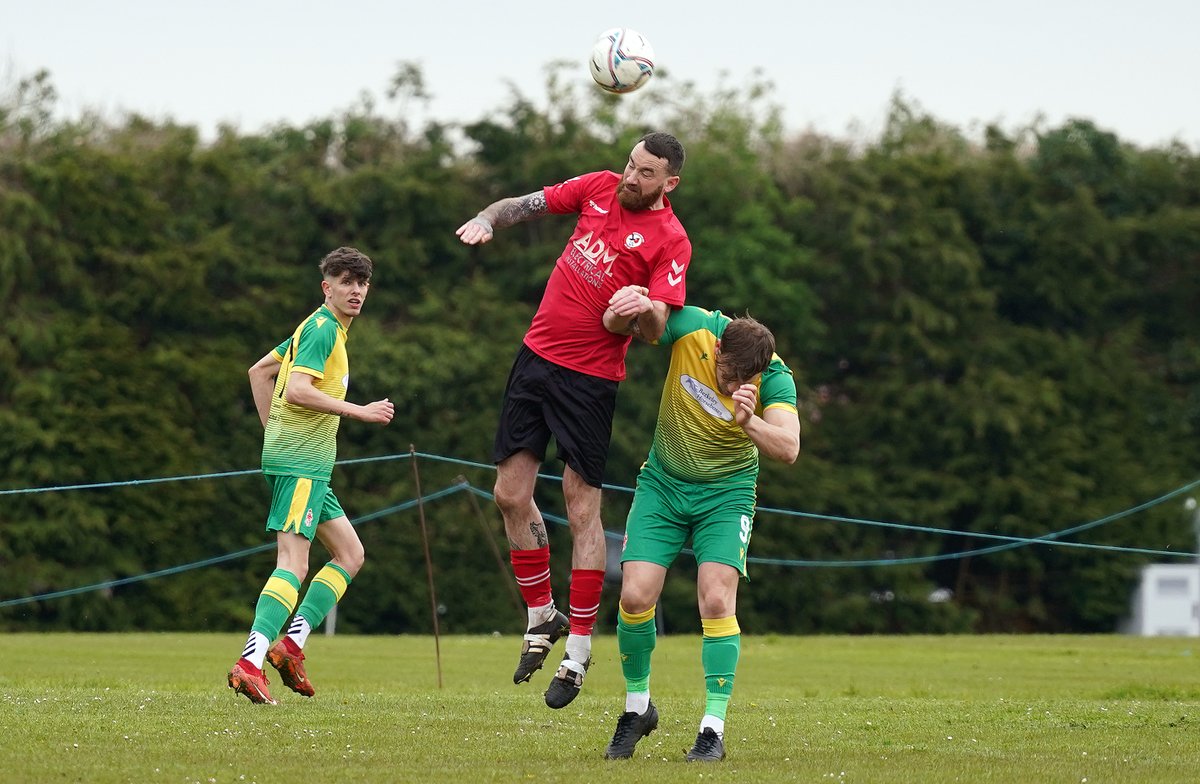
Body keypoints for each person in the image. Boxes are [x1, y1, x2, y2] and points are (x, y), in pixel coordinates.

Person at [455, 132, 691, 709]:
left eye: (645, 173)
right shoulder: (596, 187)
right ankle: (543, 616)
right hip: (535, 359)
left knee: (581, 508)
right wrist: (488, 217)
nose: (630, 177)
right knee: (509, 495)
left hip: (590, 382)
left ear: (670, 182)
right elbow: (527, 204)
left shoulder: (671, 240)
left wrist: (640, 311)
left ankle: (578, 653)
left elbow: (659, 328)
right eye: (631, 164)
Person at [599, 297, 800, 762]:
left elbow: (788, 448)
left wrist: (750, 421)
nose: (729, 384)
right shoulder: (694, 328)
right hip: (664, 485)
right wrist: (638, 302)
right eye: (725, 372)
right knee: (634, 596)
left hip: (726, 496)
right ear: (718, 346)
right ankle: (636, 709)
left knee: (715, 598)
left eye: (740, 380)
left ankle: (712, 730)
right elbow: (636, 329)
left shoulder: (774, 377)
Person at [227, 246, 395, 705]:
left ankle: (291, 647)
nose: (355, 290)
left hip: (304, 462)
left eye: (362, 283)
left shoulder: (323, 329)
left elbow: (260, 372)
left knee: (350, 553)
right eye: (346, 282)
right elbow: (298, 390)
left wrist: (273, 435)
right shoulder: (323, 329)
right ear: (328, 287)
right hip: (301, 463)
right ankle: (249, 663)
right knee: (294, 563)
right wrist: (357, 411)